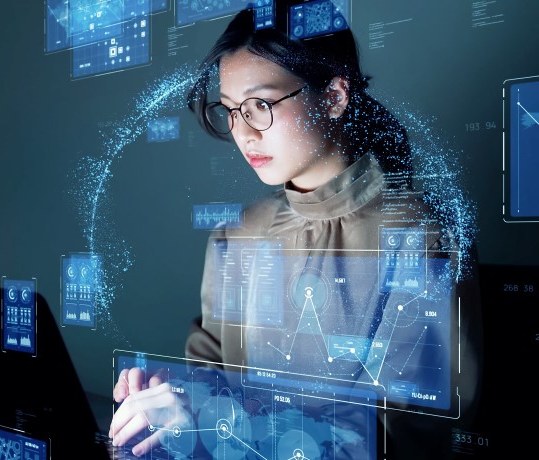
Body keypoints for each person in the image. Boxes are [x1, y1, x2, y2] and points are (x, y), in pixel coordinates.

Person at [110, 4, 482, 458]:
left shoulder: (422, 234)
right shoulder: (235, 237)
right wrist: (164, 391)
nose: (243, 133)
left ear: (334, 96)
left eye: (260, 105)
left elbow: (399, 434)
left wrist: (207, 420)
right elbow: (208, 376)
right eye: (229, 111)